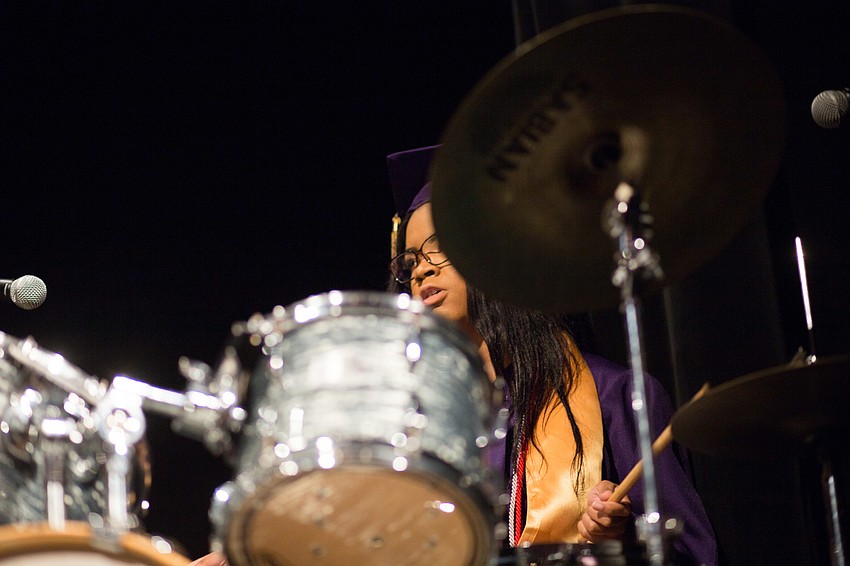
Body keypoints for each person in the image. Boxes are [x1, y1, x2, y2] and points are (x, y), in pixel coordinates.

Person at [384, 145, 718, 564]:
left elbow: (691, 554)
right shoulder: (424, 426)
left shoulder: (617, 396)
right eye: (411, 260)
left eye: (441, 245)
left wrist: (620, 537)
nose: (422, 269)